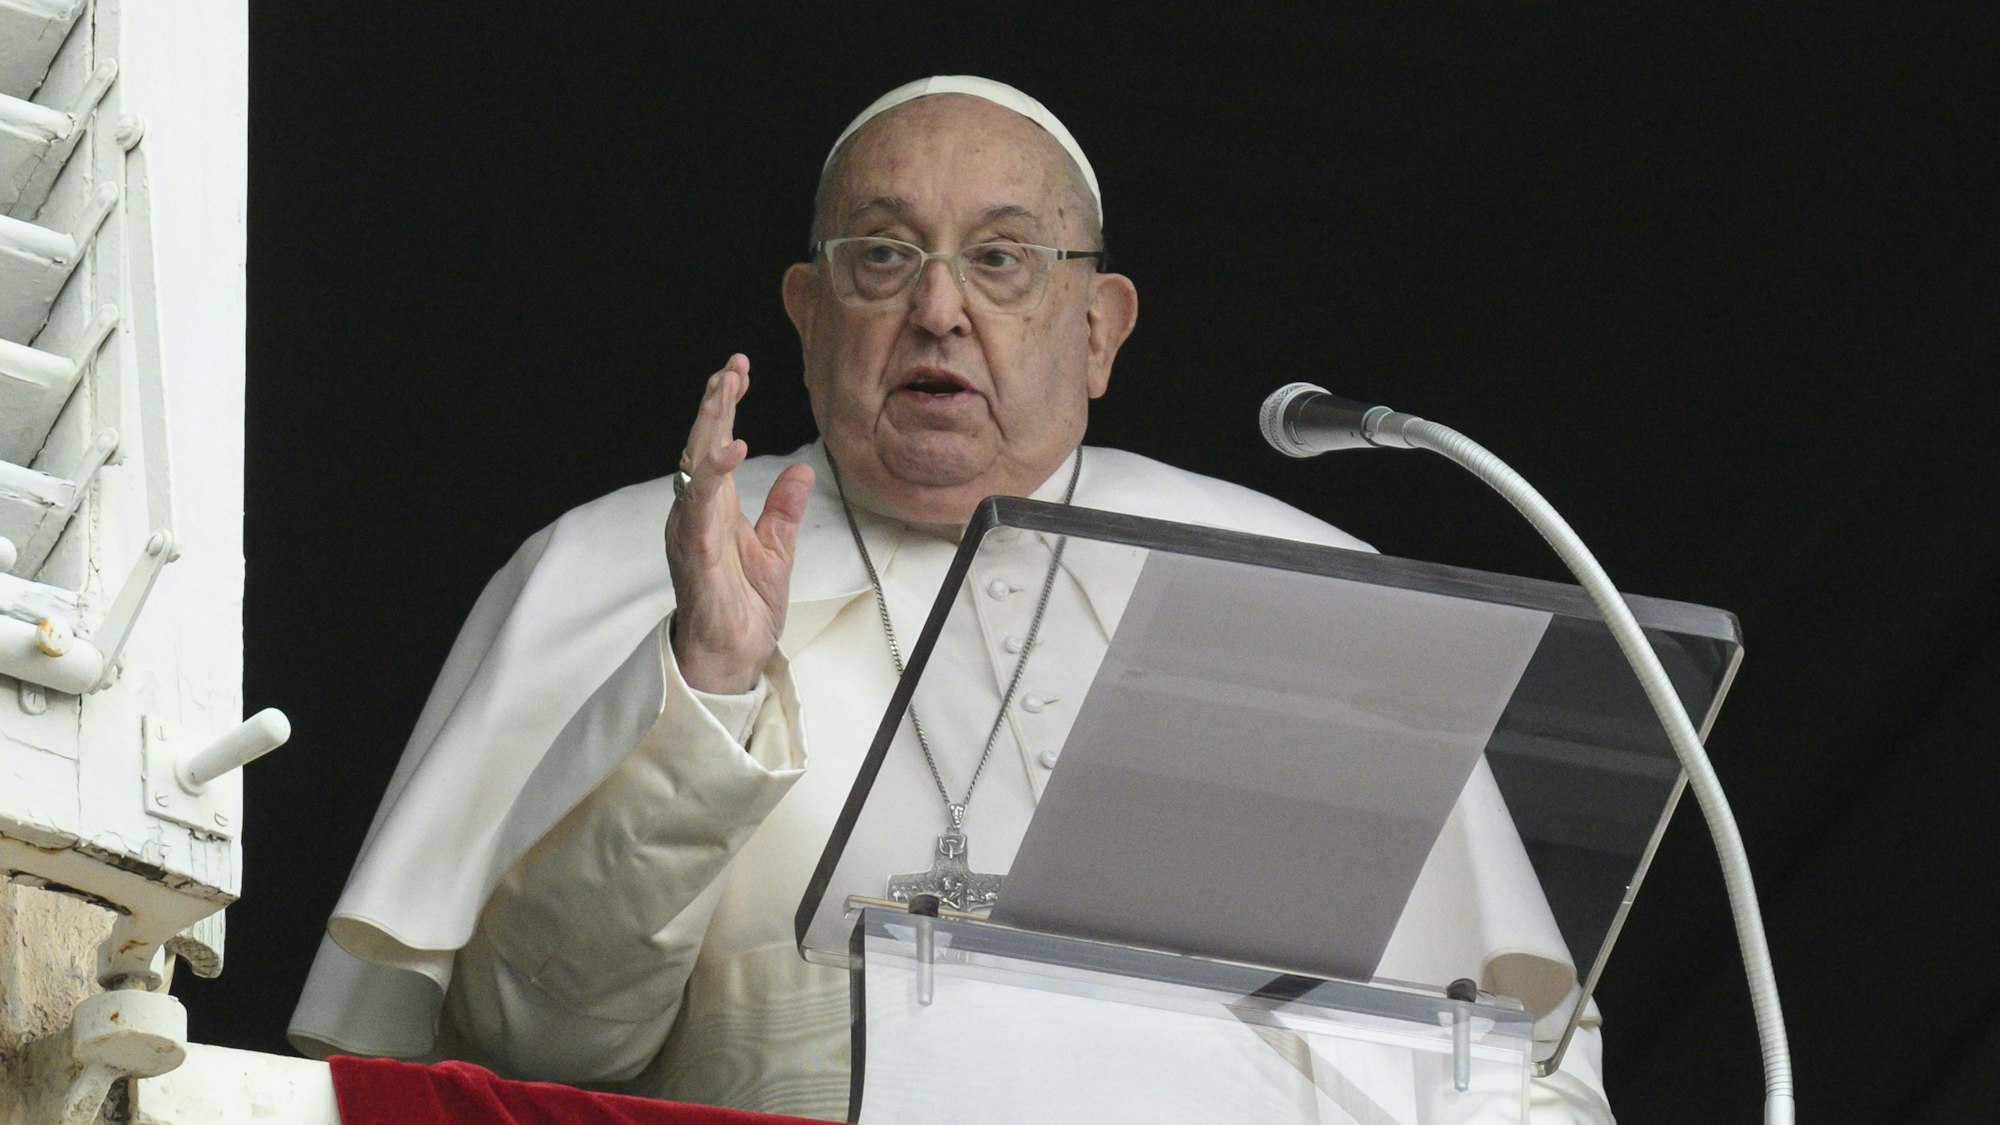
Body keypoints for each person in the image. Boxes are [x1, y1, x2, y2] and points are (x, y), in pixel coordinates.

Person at [291, 77, 1612, 1122]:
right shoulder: (619, 565)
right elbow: (525, 1054)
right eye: (882, 257)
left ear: (1098, 328)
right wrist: (708, 686)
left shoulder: (1300, 589)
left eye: (1002, 261)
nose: (938, 309)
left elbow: (1509, 1062)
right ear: (809, 315)